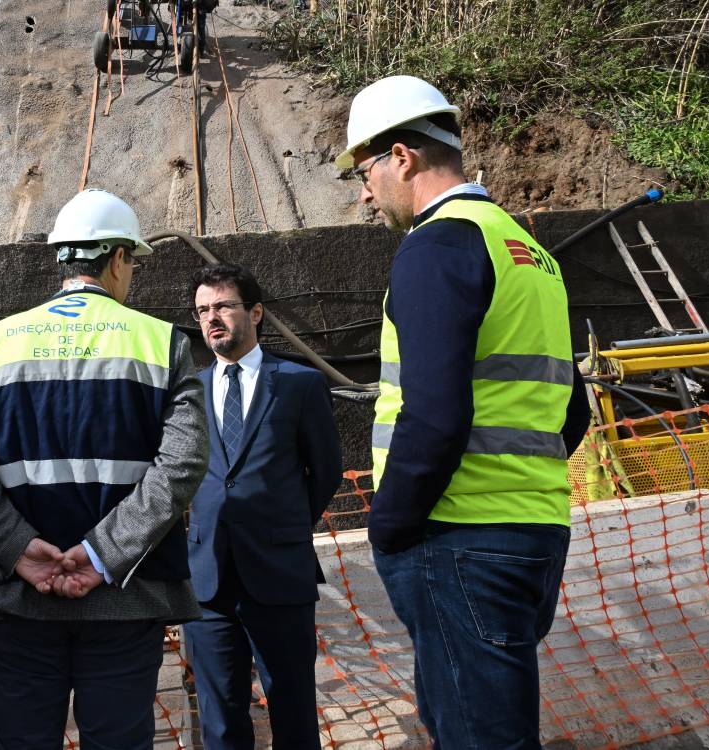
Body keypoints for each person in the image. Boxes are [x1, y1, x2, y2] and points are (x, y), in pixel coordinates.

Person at [335, 76, 591, 747]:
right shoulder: (528, 252)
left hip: (457, 538)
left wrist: (389, 526)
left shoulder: (437, 246)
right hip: (533, 528)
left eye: (363, 173)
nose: (364, 195)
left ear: (401, 157)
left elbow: (434, 415)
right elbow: (571, 410)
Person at [0, 188, 208, 749]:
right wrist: (103, 553)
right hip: (127, 597)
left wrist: (16, 547)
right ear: (118, 258)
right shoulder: (162, 342)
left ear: (62, 257)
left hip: (22, 596)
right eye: (132, 263)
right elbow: (183, 462)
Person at [183, 263, 342, 750]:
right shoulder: (188, 390)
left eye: (223, 306)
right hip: (208, 580)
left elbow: (326, 472)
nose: (212, 318)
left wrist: (282, 528)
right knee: (220, 718)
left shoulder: (299, 383)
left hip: (279, 573)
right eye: (203, 310)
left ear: (255, 313)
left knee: (293, 711)